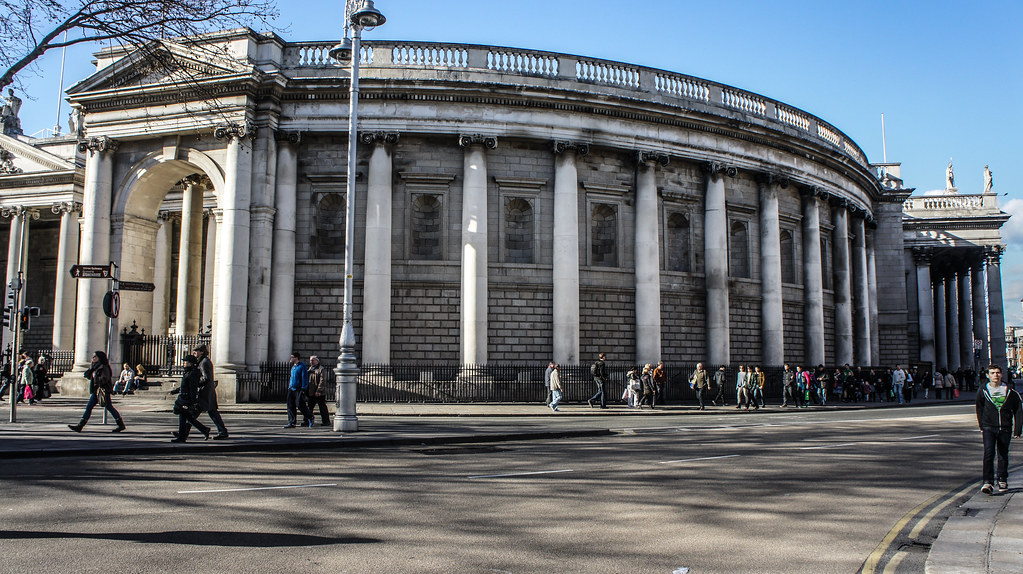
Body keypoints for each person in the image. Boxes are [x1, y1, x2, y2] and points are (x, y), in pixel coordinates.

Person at [975, 364, 1022, 495]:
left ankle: (1002, 478)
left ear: (1001, 374)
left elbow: (1018, 410)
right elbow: (979, 408)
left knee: (1003, 454)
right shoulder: (983, 390)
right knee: (989, 454)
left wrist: (1017, 429)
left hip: (1005, 427)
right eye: (992, 373)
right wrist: (981, 425)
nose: (995, 375)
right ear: (987, 375)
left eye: (997, 373)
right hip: (989, 427)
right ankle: (987, 482)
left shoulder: (1010, 392)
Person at [68, 350, 126, 433]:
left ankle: (120, 424)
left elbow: (104, 378)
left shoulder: (104, 367)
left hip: (102, 390)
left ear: (99, 358)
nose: (93, 358)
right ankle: (80, 426)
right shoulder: (95, 367)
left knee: (106, 407)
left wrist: (97, 380)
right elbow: (86, 375)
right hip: (96, 390)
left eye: (95, 356)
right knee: (93, 407)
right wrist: (91, 368)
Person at [169, 355, 212, 443]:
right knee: (187, 417)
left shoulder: (192, 374)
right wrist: (175, 391)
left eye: (186, 362)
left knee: (183, 417)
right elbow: (184, 386)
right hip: (183, 397)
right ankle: (203, 430)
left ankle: (182, 437)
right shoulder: (188, 372)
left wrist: (192, 401)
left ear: (191, 364)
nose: (184, 364)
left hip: (186, 398)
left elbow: (192, 388)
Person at [194, 344, 229, 439]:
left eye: (196, 351)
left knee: (193, 414)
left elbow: (206, 378)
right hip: (207, 392)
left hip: (205, 393)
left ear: (201, 352)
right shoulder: (203, 361)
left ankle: (183, 432)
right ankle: (223, 432)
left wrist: (196, 384)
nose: (194, 353)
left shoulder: (204, 362)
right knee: (212, 413)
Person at [285, 352, 314, 428]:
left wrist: (304, 388)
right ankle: (292, 422)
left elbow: (304, 378)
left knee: (300, 405)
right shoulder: (293, 367)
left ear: (296, 358)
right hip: (291, 388)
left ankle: (310, 417)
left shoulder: (302, 366)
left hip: (299, 389)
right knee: (290, 406)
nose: (291, 358)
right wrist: (289, 386)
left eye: (292, 357)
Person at [307, 355, 333, 426]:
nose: (311, 362)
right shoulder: (310, 369)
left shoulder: (321, 369)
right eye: (310, 360)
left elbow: (322, 380)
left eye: (312, 360)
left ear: (317, 361)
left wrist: (319, 390)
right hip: (311, 391)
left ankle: (326, 421)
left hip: (319, 392)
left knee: (322, 407)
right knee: (309, 407)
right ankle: (307, 421)